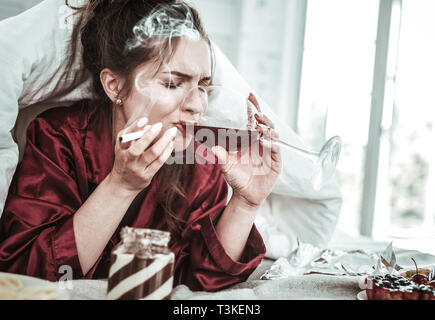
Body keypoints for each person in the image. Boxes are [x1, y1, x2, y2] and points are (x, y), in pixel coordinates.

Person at [0, 0, 342, 263]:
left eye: (204, 86)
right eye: (172, 83)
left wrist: (245, 203)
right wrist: (121, 185)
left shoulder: (199, 157)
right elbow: (31, 269)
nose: (196, 105)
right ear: (114, 85)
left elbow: (202, 277)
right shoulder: (59, 136)